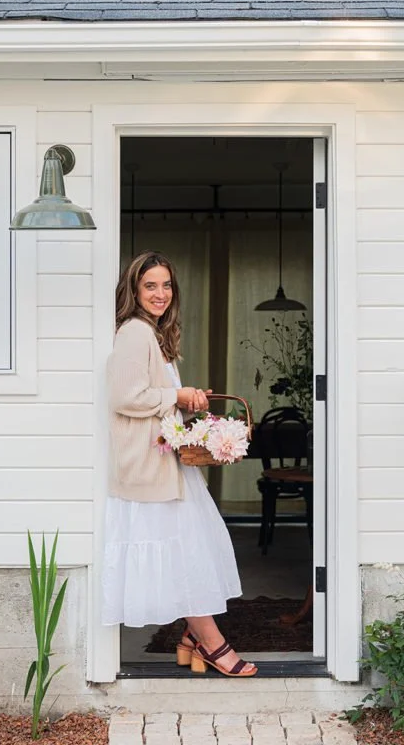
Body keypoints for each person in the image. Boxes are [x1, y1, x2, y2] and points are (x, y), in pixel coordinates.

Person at [102, 250, 257, 678]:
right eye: (150, 285)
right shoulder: (134, 332)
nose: (160, 294)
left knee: (188, 554)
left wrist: (189, 405)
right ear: (134, 290)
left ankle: (193, 639)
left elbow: (154, 398)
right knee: (184, 557)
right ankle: (212, 644)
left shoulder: (154, 335)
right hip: (149, 469)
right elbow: (125, 397)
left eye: (166, 285)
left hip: (167, 464)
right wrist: (177, 394)